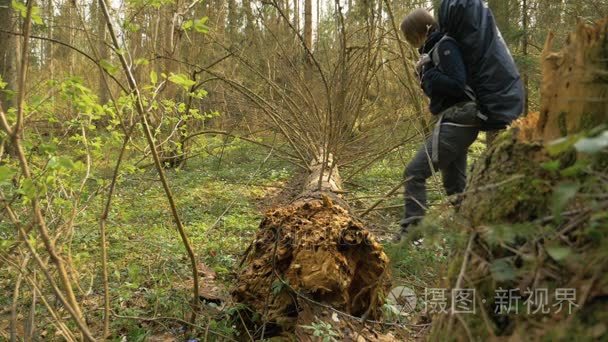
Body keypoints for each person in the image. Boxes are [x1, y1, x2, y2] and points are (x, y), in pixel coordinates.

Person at [396, 9, 481, 240]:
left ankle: (411, 234)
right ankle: (474, 231)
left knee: (414, 172)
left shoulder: (445, 46)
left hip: (459, 119)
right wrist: (424, 73)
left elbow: (457, 84)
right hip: (456, 118)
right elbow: (440, 91)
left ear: (421, 30)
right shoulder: (434, 50)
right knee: (454, 184)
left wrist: (429, 72)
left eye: (409, 35)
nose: (410, 41)